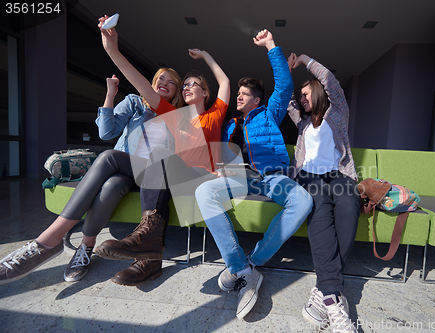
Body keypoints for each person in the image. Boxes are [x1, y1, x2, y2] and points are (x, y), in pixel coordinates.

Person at [0, 66, 184, 285]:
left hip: (152, 176)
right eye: (160, 78)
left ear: (176, 92)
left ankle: (49, 239)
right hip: (125, 169)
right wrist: (110, 95)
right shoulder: (136, 103)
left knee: (108, 157)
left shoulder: (176, 117)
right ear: (152, 83)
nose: (164, 82)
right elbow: (106, 132)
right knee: (112, 186)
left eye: (171, 82)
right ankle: (85, 247)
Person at [93, 15, 230, 286]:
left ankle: (148, 251)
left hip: (201, 179)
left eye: (193, 84)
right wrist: (113, 51)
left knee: (160, 159)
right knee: (157, 159)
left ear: (204, 93)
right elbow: (142, 85)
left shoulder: (214, 114)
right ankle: (150, 258)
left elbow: (225, 82)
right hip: (174, 177)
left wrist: (205, 56)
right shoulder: (173, 114)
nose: (188, 87)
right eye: (186, 84)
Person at [194, 29, 313, 320]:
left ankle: (252, 262)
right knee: (202, 191)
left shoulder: (269, 113)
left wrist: (271, 46)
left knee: (303, 202)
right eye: (238, 93)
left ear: (257, 101)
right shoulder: (232, 124)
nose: (239, 96)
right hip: (240, 177)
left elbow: (284, 85)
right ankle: (240, 269)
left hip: (272, 177)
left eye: (245, 94)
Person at [287, 52, 360, 333]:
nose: (303, 100)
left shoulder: (337, 113)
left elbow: (331, 81)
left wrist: (305, 59)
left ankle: (322, 289)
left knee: (349, 208)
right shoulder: (302, 124)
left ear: (318, 93)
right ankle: (332, 298)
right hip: (309, 177)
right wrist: (288, 70)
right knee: (319, 212)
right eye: (301, 96)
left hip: (338, 176)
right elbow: (285, 99)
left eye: (306, 95)